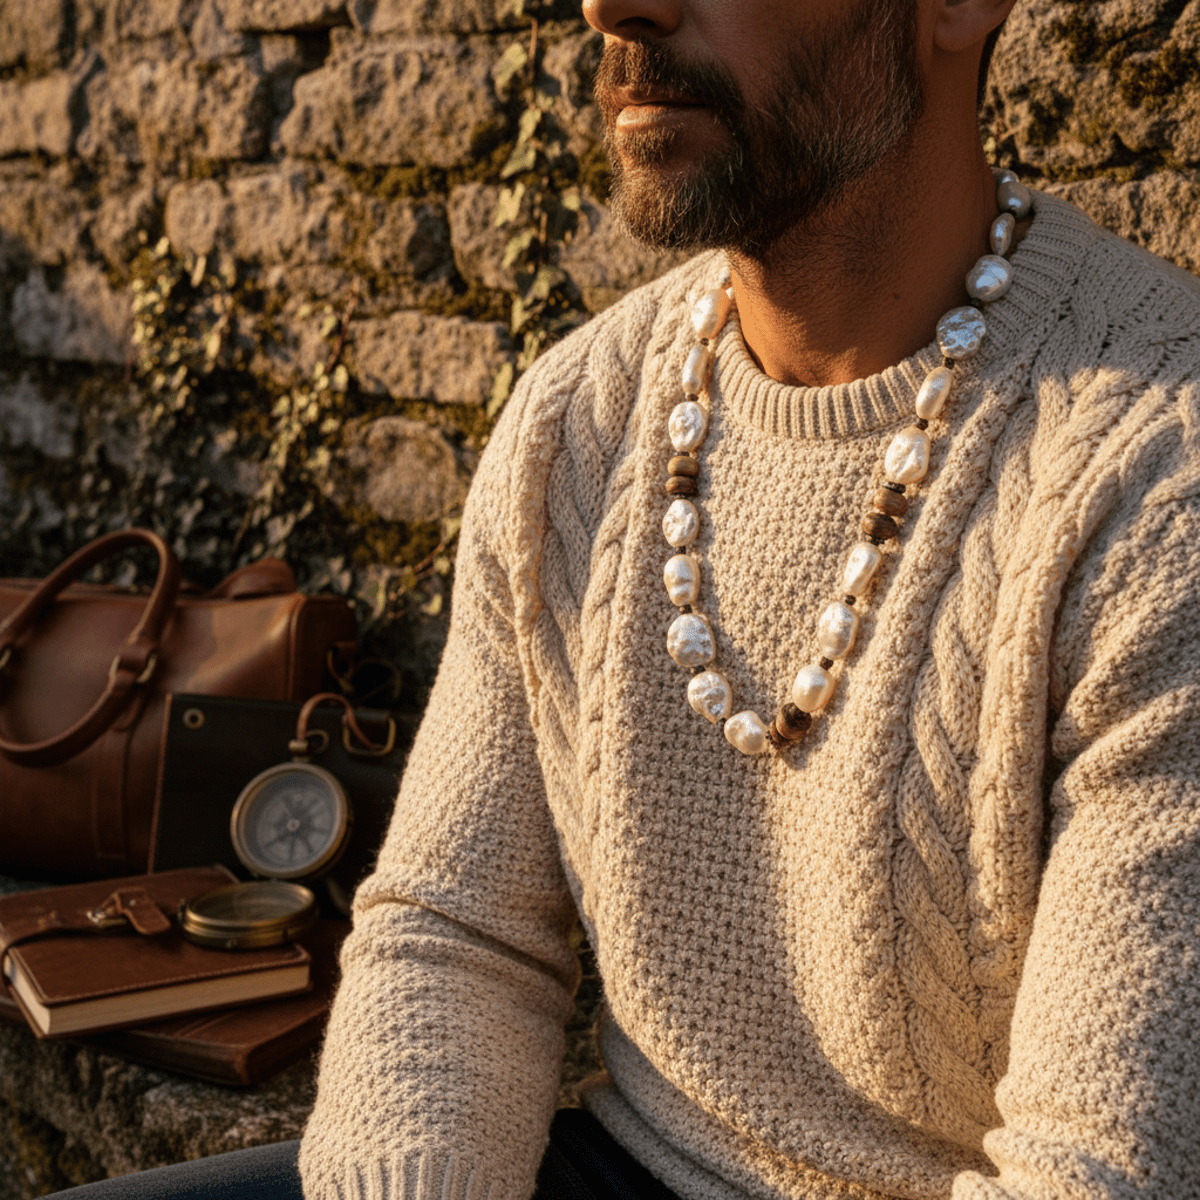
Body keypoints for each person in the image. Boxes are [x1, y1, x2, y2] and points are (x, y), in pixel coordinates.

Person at [54, 0, 1200, 1195]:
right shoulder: (579, 420)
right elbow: (459, 931)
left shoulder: (1157, 478)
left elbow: (1104, 1172)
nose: (610, 6)